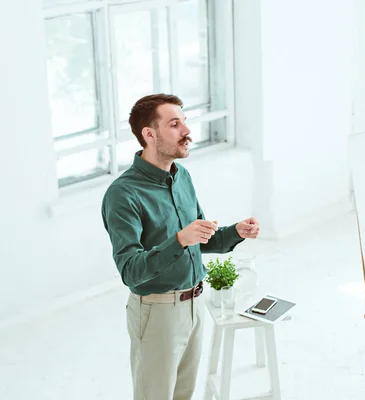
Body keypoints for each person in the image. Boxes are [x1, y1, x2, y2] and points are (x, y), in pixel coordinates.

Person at [101, 93, 260, 399]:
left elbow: (200, 238)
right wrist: (179, 241)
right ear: (150, 134)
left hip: (195, 306)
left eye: (184, 122)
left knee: (183, 394)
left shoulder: (181, 177)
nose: (187, 131)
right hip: (157, 311)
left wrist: (235, 232)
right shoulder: (123, 195)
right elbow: (131, 271)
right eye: (175, 124)